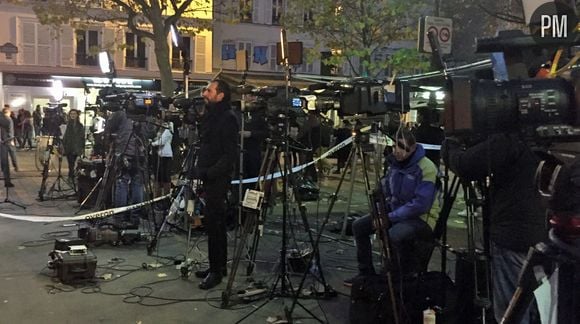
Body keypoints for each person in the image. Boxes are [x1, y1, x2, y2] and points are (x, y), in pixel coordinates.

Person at [443, 133, 546, 324]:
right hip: (548, 238)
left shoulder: (510, 138)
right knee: (538, 309)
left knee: (512, 310)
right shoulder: (549, 138)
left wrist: (450, 146)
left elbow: (467, 165)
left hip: (514, 237)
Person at [344, 129, 437, 286]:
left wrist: (389, 218)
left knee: (394, 234)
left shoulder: (426, 167)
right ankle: (365, 273)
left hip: (421, 218)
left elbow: (421, 204)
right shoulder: (394, 164)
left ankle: (392, 275)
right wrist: (379, 211)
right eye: (395, 147)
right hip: (394, 212)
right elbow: (386, 191)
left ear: (413, 148)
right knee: (359, 226)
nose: (397, 151)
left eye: (402, 148)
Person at [189, 80, 239, 290]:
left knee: (215, 224)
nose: (205, 93)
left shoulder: (227, 119)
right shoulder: (211, 116)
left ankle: (216, 271)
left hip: (217, 178)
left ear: (220, 95)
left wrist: (211, 172)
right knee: (213, 225)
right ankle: (217, 265)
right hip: (209, 175)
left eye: (209, 90)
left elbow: (230, 154)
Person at [105, 105, 147, 228]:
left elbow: (109, 127)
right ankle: (135, 218)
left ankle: (119, 217)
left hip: (124, 154)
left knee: (121, 184)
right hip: (140, 155)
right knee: (137, 186)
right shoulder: (144, 113)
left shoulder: (121, 113)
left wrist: (111, 143)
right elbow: (150, 132)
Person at [150, 120, 173, 197]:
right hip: (158, 155)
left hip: (166, 156)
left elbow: (162, 141)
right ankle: (158, 196)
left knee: (166, 177)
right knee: (158, 177)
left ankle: (166, 196)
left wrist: (152, 143)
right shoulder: (159, 129)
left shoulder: (168, 128)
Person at [62, 109, 85, 180]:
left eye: (74, 114)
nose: (73, 115)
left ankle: (72, 175)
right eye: (71, 114)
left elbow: (82, 137)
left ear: (77, 115)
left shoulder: (80, 125)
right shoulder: (68, 125)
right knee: (71, 163)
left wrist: (82, 148)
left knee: (74, 162)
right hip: (69, 147)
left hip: (76, 147)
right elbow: (65, 136)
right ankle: (71, 176)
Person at [0, 107, 14, 187]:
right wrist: (11, 139)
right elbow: (10, 132)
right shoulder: (8, 119)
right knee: (5, 162)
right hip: (4, 143)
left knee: (4, 163)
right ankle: (7, 181)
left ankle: (7, 181)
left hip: (2, 142)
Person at [2, 106, 19, 172]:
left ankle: (4, 169)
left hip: (2, 140)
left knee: (4, 156)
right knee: (13, 154)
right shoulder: (9, 119)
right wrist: (12, 140)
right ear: (8, 112)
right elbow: (10, 131)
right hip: (9, 140)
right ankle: (16, 167)